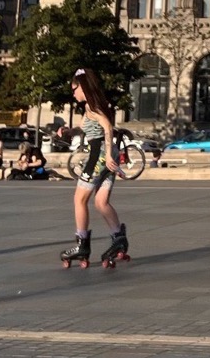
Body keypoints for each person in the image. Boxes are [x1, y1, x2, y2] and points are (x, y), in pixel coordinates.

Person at [60, 67, 129, 269]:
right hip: (107, 155)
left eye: (74, 90)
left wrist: (106, 156)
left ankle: (82, 244)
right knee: (101, 202)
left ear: (82, 87)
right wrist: (68, 131)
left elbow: (107, 127)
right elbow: (87, 128)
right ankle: (119, 239)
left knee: (79, 199)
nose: (73, 94)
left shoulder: (92, 106)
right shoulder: (94, 105)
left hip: (98, 157)